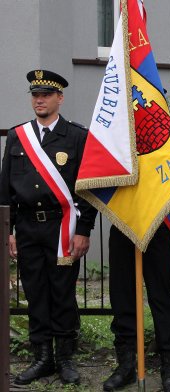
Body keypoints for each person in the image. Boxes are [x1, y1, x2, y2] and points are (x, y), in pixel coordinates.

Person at [0, 70, 98, 385]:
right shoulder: (18, 136)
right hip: (28, 227)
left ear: (60, 98)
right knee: (36, 293)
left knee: (62, 293)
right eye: (35, 95)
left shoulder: (76, 136)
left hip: (63, 226)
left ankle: (65, 359)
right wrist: (8, 230)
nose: (39, 100)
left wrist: (84, 229)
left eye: (45, 95)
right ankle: (42, 358)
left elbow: (87, 189)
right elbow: (6, 188)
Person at [102, 126, 170, 392]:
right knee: (122, 296)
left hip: (160, 226)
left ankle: (169, 369)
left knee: (162, 299)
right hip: (124, 224)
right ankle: (126, 365)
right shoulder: (116, 133)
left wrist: (152, 198)